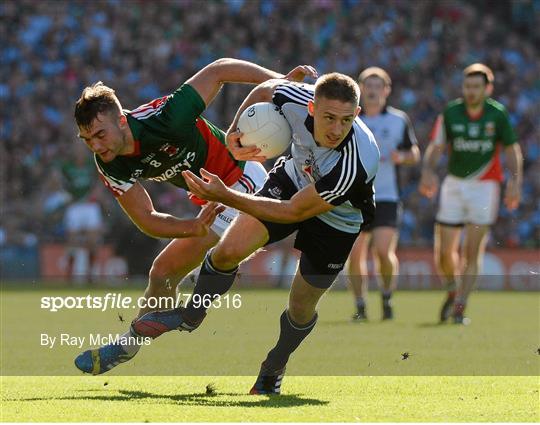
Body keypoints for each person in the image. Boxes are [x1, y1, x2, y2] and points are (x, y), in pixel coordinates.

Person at [133, 73, 380, 394]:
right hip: (292, 179)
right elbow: (264, 89)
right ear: (310, 107)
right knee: (226, 252)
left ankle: (275, 364)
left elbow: (294, 211)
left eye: (346, 120)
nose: (336, 129)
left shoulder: (357, 160)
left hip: (337, 220)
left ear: (357, 115)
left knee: (301, 307)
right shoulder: (293, 96)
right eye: (328, 118)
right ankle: (192, 314)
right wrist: (234, 134)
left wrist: (226, 195)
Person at [73, 58, 317, 375]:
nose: (95, 145)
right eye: (87, 140)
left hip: (243, 181)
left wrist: (280, 81)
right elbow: (146, 218)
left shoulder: (165, 117)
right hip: (214, 201)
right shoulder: (109, 162)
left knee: (220, 257)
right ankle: (136, 343)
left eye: (100, 135)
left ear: (121, 120)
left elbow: (219, 70)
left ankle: (187, 315)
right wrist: (192, 226)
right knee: (162, 273)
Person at [419, 63, 523, 324]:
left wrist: (515, 181)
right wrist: (428, 171)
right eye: (467, 86)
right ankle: (453, 290)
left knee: (471, 251)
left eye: (477, 87)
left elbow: (512, 149)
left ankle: (460, 306)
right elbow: (436, 146)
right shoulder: (451, 112)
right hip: (454, 185)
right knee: (443, 253)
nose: (471, 91)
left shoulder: (497, 115)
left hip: (485, 188)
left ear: (487, 88)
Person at [345, 67, 420, 321]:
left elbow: (414, 153)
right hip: (353, 197)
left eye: (378, 86)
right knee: (355, 255)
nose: (373, 90)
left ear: (386, 90)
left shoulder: (398, 120)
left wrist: (403, 157)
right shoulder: (350, 119)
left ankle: (387, 296)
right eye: (368, 85)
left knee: (382, 252)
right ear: (360, 89)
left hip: (387, 196)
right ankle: (360, 304)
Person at [60, 142, 105, 284]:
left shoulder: (91, 164)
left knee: (93, 241)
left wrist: (96, 192)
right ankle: (70, 273)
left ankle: (91, 274)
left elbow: (99, 180)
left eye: (81, 149)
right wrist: (66, 195)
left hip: (89, 206)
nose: (79, 152)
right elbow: (59, 183)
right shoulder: (66, 167)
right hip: (74, 206)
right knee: (72, 240)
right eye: (76, 150)